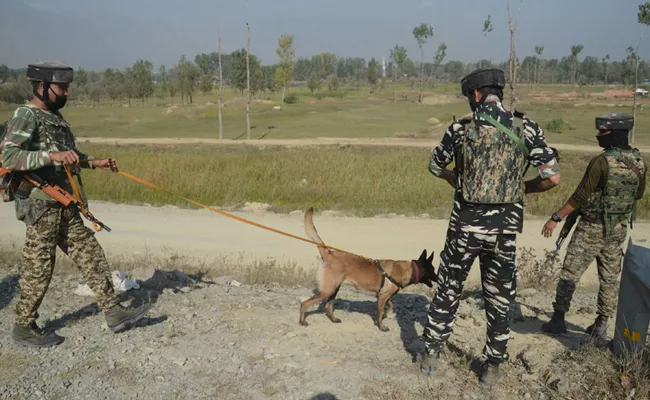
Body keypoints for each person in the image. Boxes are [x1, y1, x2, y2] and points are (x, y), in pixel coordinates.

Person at [415, 68, 561, 389]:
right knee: (499, 298)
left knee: (448, 290)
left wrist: (453, 177)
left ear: (477, 95)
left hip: (464, 229)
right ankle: (492, 368)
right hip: (503, 232)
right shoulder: (526, 128)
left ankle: (431, 355)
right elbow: (553, 177)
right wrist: (524, 190)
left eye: (470, 96)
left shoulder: (460, 130)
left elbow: (434, 165)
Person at [1, 61, 151, 347]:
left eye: (67, 88)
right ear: (42, 87)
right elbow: (8, 157)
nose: (66, 93)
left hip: (63, 202)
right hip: (39, 204)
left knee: (90, 253)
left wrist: (92, 162)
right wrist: (50, 157)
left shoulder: (54, 117)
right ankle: (23, 326)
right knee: (39, 267)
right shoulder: (26, 115)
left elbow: (67, 153)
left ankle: (114, 311)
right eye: (61, 87)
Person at [541, 113, 646, 343]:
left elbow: (580, 195)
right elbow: (638, 195)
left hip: (591, 228)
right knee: (609, 278)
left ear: (615, 135)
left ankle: (558, 319)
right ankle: (601, 325)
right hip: (617, 230)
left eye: (603, 133)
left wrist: (556, 217)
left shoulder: (601, 162)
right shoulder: (639, 162)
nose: (599, 136)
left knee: (570, 273)